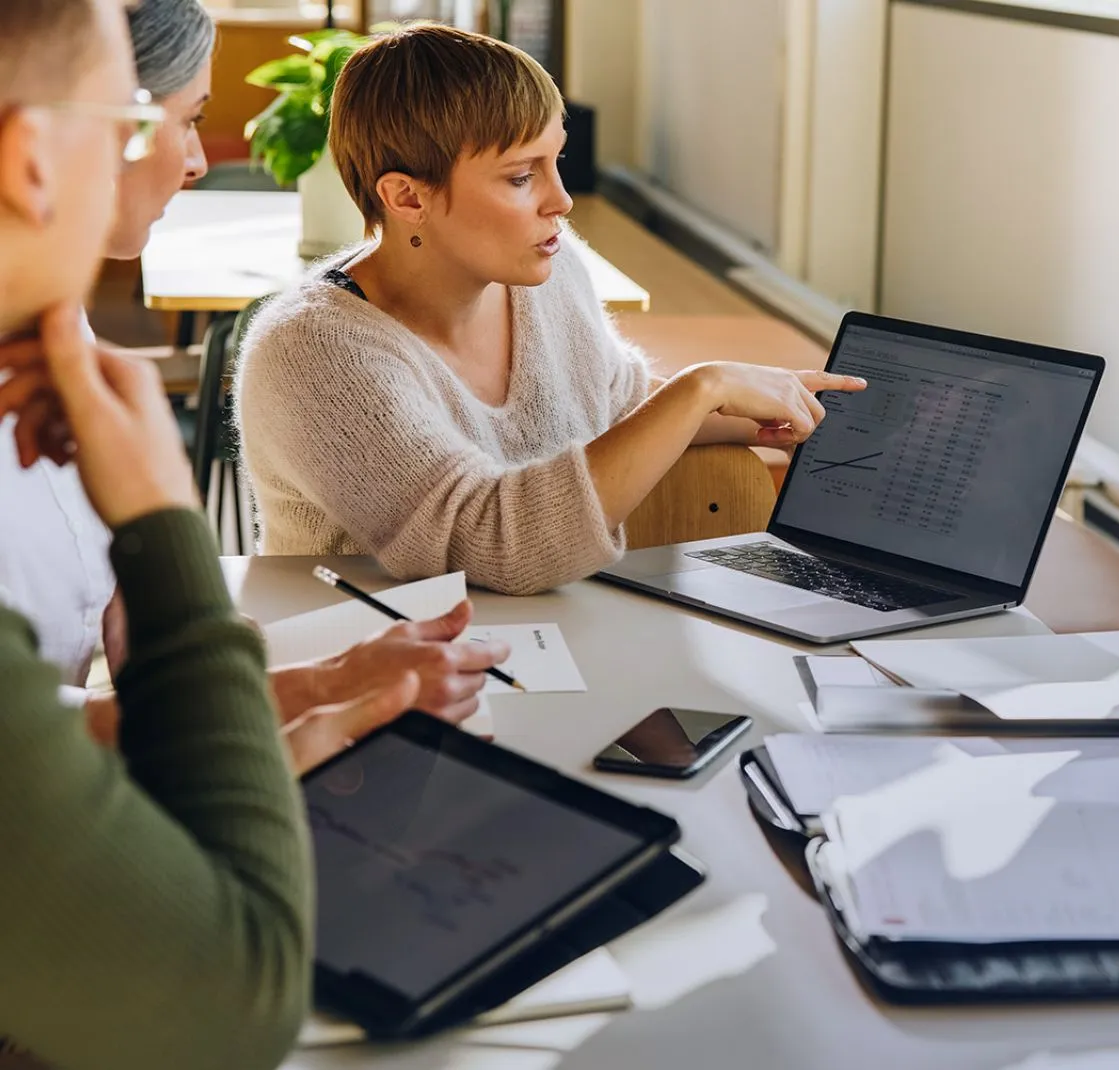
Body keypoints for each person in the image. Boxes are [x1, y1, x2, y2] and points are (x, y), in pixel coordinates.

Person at [0, 0, 509, 761]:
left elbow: (105, 634)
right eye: (168, 121)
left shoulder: (54, 330)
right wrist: (312, 697)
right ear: (34, 156)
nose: (197, 160)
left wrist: (251, 671)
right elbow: (28, 747)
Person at [0, 1, 355, 1064]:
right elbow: (232, 1005)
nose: (193, 159)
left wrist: (274, 696)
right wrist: (164, 522)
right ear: (31, 161)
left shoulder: (41, 357)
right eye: (135, 120)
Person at [236, 24, 867, 596]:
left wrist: (785, 413)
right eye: (521, 177)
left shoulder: (550, 274)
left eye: (555, 161)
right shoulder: (311, 351)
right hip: (372, 662)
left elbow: (612, 404)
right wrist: (704, 386)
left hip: (539, 638)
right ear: (406, 198)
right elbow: (492, 544)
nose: (561, 201)